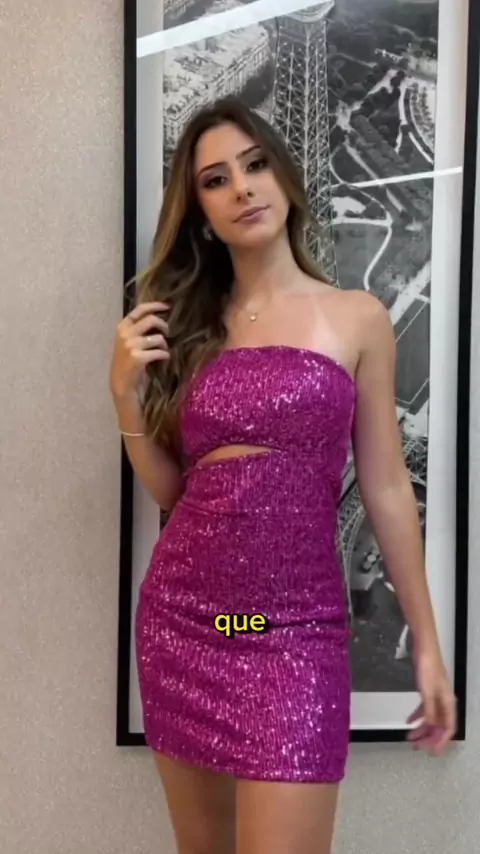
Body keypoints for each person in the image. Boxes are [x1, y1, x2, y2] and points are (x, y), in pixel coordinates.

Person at [109, 97, 456, 854]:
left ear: (285, 178)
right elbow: (176, 493)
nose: (242, 187)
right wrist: (125, 400)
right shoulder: (190, 328)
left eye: (256, 164)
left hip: (294, 637)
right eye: (215, 179)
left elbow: (386, 487)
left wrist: (427, 642)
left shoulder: (357, 317)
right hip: (185, 625)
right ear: (202, 213)